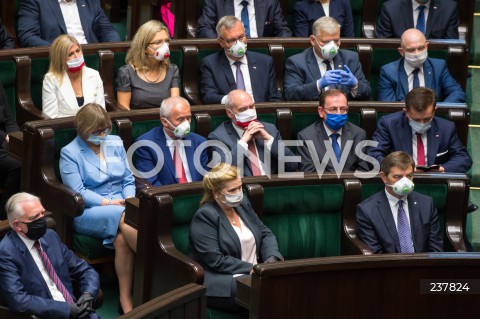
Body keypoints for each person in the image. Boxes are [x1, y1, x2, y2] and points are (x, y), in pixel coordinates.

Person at [59, 103, 137, 313]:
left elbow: (128, 179)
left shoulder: (114, 143)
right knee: (124, 214)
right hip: (88, 211)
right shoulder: (70, 153)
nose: (103, 134)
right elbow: (78, 192)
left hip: (122, 205)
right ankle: (157, 266)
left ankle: (125, 302)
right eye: (97, 131)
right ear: (84, 129)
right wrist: (110, 203)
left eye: (106, 129)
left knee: (122, 240)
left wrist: (129, 198)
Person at [189, 163, 283, 312]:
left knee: (287, 288)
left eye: (240, 187)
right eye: (233, 190)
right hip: (224, 281)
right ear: (216, 192)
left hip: (256, 275)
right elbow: (216, 260)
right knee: (268, 297)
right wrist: (253, 269)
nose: (239, 192)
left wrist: (271, 259)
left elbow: (265, 233)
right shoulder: (206, 216)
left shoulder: (242, 203)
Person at [0, 192, 100, 318]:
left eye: (42, 213)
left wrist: (88, 294)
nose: (42, 219)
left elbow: (85, 270)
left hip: (79, 311)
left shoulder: (50, 236)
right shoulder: (6, 253)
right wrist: (67, 310)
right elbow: (19, 300)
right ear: (17, 225)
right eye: (35, 217)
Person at [356, 151, 444, 254]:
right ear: (384, 177)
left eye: (409, 176)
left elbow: (436, 249)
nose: (405, 182)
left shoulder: (427, 204)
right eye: (397, 177)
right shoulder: (367, 210)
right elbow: (376, 256)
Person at [369, 87, 471, 173]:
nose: (422, 123)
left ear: (435, 110)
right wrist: (399, 169)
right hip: (399, 180)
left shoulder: (447, 128)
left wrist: (442, 168)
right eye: (416, 119)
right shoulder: (389, 124)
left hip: (433, 181)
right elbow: (373, 154)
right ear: (406, 111)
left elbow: (463, 158)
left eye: (427, 119)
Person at [208, 90, 297, 176]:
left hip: (271, 186)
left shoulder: (270, 129)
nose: (249, 112)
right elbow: (221, 173)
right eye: (243, 109)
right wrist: (243, 142)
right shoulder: (218, 137)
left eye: (251, 107)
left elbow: (292, 165)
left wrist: (269, 140)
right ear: (229, 113)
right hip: (242, 188)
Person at [284, 16, 371, 101]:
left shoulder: (351, 58)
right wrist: (318, 85)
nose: (332, 46)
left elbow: (368, 93)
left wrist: (355, 85)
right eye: (326, 42)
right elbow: (290, 94)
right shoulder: (296, 62)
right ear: (313, 40)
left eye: (336, 41)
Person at [200, 16, 281, 104]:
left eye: (241, 37)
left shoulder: (265, 62)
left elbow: (274, 97)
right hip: (230, 114)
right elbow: (208, 96)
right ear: (220, 42)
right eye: (232, 40)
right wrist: (232, 100)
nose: (238, 44)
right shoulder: (210, 64)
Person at [134, 96, 208, 186]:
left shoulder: (199, 142)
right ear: (164, 121)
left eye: (188, 118)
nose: (186, 123)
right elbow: (151, 183)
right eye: (180, 119)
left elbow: (206, 177)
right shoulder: (145, 144)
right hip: (167, 197)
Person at [378, 28, 465, 103]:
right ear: (401, 51)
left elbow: (457, 93)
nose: (417, 54)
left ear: (427, 46)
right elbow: (388, 105)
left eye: (421, 48)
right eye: (411, 50)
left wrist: (434, 110)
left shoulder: (439, 66)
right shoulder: (388, 71)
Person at [297, 89, 369, 173]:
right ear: (321, 111)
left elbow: (363, 170)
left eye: (343, 109)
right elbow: (309, 173)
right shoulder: (306, 137)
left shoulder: (359, 134)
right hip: (322, 185)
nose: (338, 113)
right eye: (333, 109)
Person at [117, 20, 180, 110]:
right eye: (158, 42)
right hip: (137, 121)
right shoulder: (126, 72)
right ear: (144, 48)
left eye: (166, 41)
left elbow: (174, 105)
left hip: (166, 122)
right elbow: (124, 108)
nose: (165, 46)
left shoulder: (172, 70)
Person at [42, 35, 105, 119]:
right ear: (60, 59)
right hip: (65, 129)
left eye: (78, 51)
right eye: (70, 54)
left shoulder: (94, 75)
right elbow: (51, 117)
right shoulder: (51, 80)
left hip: (94, 129)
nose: (77, 56)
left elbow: (101, 112)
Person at [17, 0, 120, 48]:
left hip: (91, 57)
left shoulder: (91, 2)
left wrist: (114, 45)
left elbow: (107, 30)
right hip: (56, 62)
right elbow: (28, 36)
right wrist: (59, 50)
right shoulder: (35, 2)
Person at [196, 0, 291, 38]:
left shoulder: (270, 2)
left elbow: (284, 31)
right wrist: (225, 43)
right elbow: (204, 29)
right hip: (226, 53)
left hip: (260, 55)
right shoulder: (216, 1)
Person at [375, 0, 459, 39]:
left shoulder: (449, 8)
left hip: (435, 67)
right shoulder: (391, 8)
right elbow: (383, 47)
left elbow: (451, 45)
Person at [0, 82, 21, 220]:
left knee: (31, 155)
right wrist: (4, 137)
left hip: (4, 140)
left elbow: (8, 119)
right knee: (17, 165)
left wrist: (17, 139)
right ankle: (4, 216)